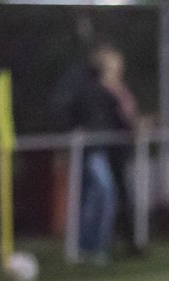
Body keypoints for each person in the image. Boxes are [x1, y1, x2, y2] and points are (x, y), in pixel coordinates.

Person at [52, 40, 119, 264]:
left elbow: (113, 111)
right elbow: (68, 110)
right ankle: (86, 246)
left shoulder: (101, 89)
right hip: (87, 150)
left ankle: (92, 246)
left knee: (100, 196)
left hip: (97, 148)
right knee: (98, 195)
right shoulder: (81, 85)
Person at [93, 45, 144, 256]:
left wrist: (139, 124)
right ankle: (104, 243)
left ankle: (127, 242)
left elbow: (129, 117)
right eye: (114, 63)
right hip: (107, 148)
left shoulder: (120, 89)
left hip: (122, 147)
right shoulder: (100, 90)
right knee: (108, 196)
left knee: (122, 195)